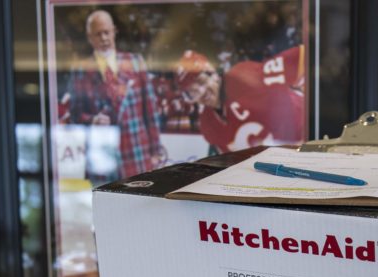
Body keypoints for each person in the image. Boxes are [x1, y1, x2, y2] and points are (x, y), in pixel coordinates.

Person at [64, 9, 162, 179]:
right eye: (98, 34)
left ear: (114, 31)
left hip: (136, 152)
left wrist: (156, 151)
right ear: (89, 37)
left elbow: (150, 110)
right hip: (102, 156)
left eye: (106, 32)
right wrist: (93, 120)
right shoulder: (80, 70)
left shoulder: (135, 62)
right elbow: (75, 115)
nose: (103, 38)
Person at [174, 46, 305, 153]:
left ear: (212, 72)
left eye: (201, 82)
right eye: (192, 92)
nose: (201, 93)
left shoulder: (241, 76)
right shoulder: (208, 124)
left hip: (307, 138)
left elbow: (301, 58)